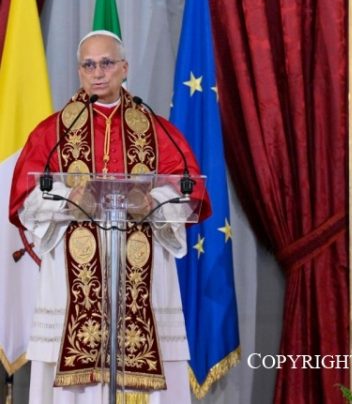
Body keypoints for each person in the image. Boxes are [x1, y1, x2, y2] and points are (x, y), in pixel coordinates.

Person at [9, 30, 211, 403]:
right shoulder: (53, 132)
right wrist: (68, 200)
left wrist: (150, 203)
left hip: (141, 278)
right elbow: (25, 197)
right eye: (88, 65)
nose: (98, 72)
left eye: (106, 63)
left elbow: (188, 191)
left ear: (124, 68)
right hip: (72, 284)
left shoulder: (157, 131)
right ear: (79, 71)